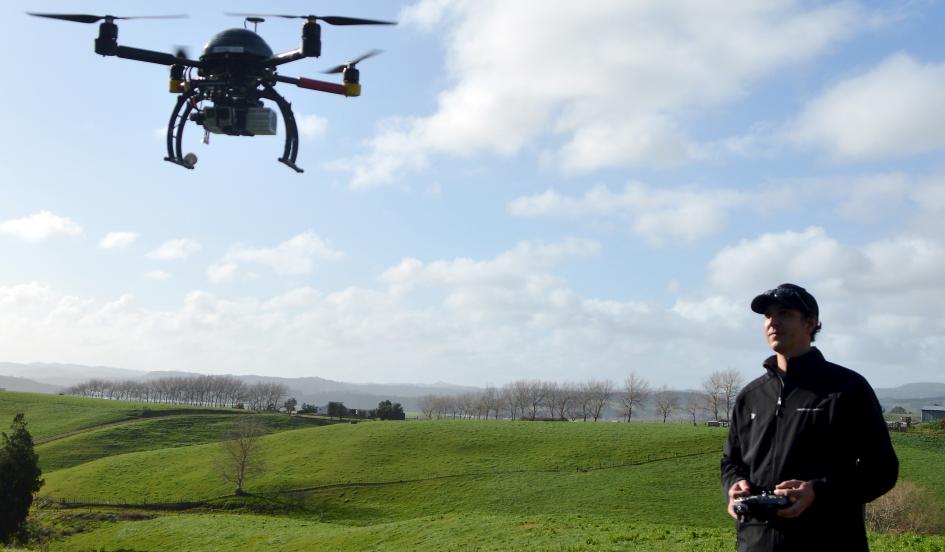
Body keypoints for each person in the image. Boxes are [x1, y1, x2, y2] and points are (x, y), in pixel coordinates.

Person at [720, 283, 898, 551]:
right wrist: (734, 485)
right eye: (768, 316)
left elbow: (882, 470)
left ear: (810, 323)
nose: (773, 322)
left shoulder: (847, 388)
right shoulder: (750, 396)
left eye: (784, 313)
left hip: (829, 541)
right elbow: (731, 461)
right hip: (756, 542)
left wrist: (819, 491)